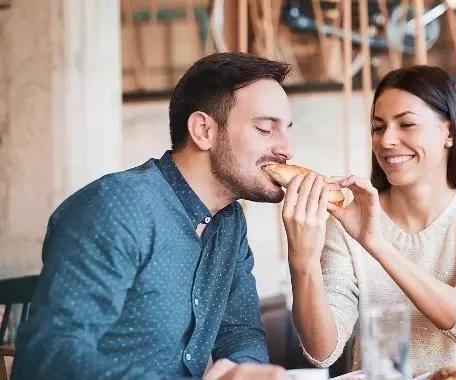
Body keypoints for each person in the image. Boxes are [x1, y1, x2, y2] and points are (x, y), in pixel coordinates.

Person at [12, 52, 294, 380]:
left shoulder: (230, 223)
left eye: (286, 130)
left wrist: (245, 370)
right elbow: (48, 357)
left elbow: (240, 333)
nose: (287, 149)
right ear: (204, 130)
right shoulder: (115, 207)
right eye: (265, 129)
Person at [283, 66, 456, 375]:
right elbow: (322, 351)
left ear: (449, 132)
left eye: (406, 124)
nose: (387, 140)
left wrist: (377, 244)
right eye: (378, 128)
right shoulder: (345, 223)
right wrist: (303, 261)